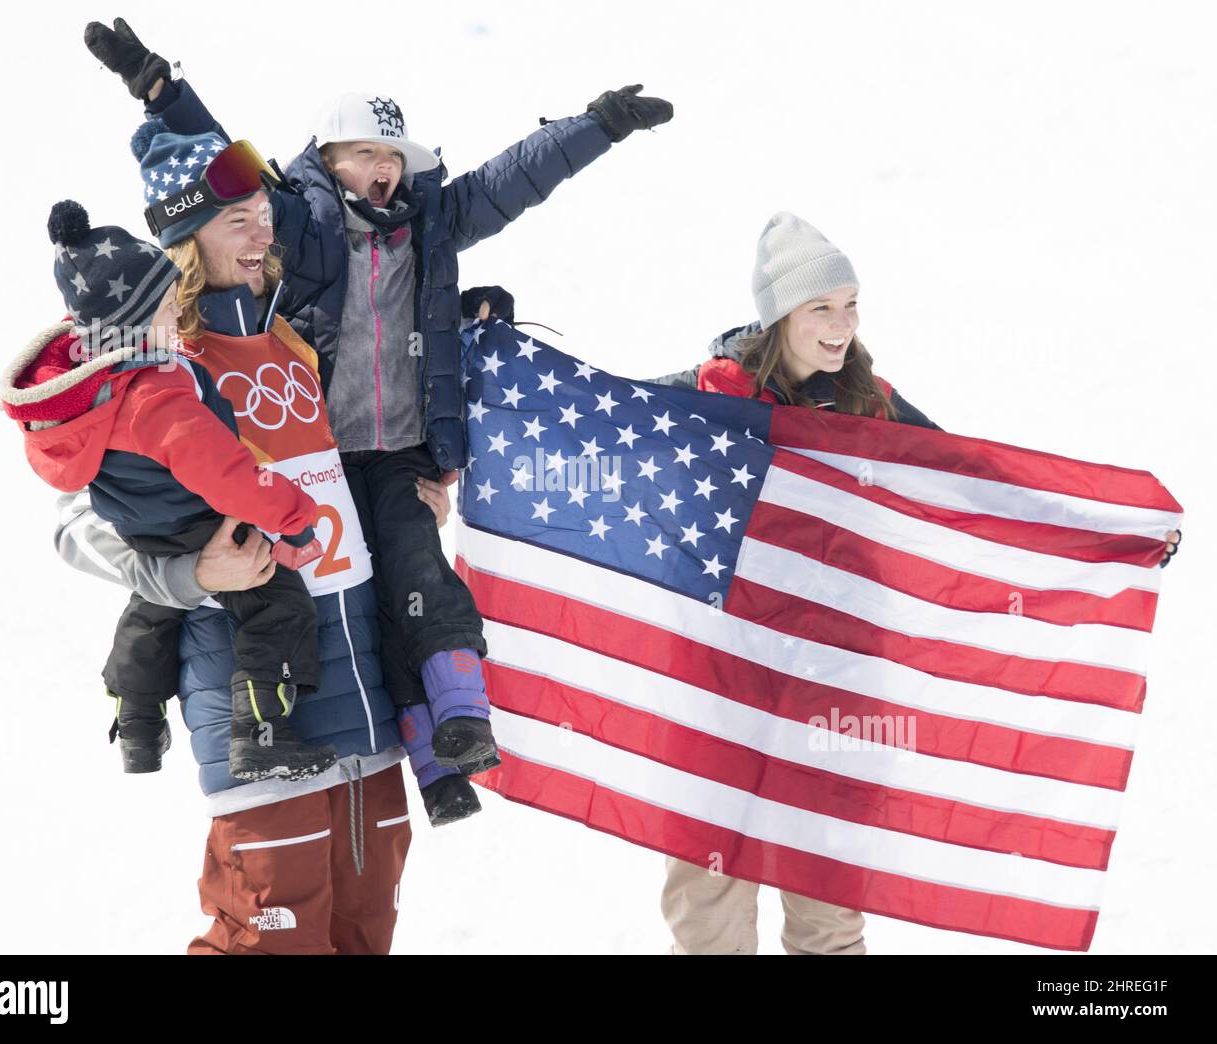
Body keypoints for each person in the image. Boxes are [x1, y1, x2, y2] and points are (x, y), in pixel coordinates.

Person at [82, 15, 676, 824]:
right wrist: (158, 89)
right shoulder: (294, 222)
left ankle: (449, 747)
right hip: (308, 470)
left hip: (392, 457)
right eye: (366, 153)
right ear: (326, 163)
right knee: (310, 605)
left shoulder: (429, 226)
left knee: (414, 592)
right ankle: (153, 712)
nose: (384, 168)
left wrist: (596, 125)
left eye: (394, 156)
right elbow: (221, 162)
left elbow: (512, 180)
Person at [649, 211, 1181, 954]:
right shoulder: (703, 399)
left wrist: (1104, 536)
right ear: (779, 315)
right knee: (708, 903)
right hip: (723, 676)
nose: (843, 326)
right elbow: (578, 422)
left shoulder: (874, 405)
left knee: (828, 904)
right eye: (821, 308)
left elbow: (972, 482)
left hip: (836, 678)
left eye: (851, 304)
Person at [52, 134, 422, 954]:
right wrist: (190, 572)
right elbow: (72, 524)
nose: (264, 235)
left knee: (365, 933)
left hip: (363, 694)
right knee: (268, 940)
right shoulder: (151, 362)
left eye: (265, 216)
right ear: (183, 245)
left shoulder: (293, 342)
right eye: (238, 222)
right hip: (255, 698)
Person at [0, 201, 338, 782]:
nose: (178, 310)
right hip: (198, 518)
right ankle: (260, 733)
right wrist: (295, 517)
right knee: (278, 602)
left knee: (153, 604)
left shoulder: (91, 390)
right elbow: (227, 475)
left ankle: (137, 721)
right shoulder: (156, 398)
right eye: (164, 305)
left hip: (141, 527)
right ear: (130, 323)